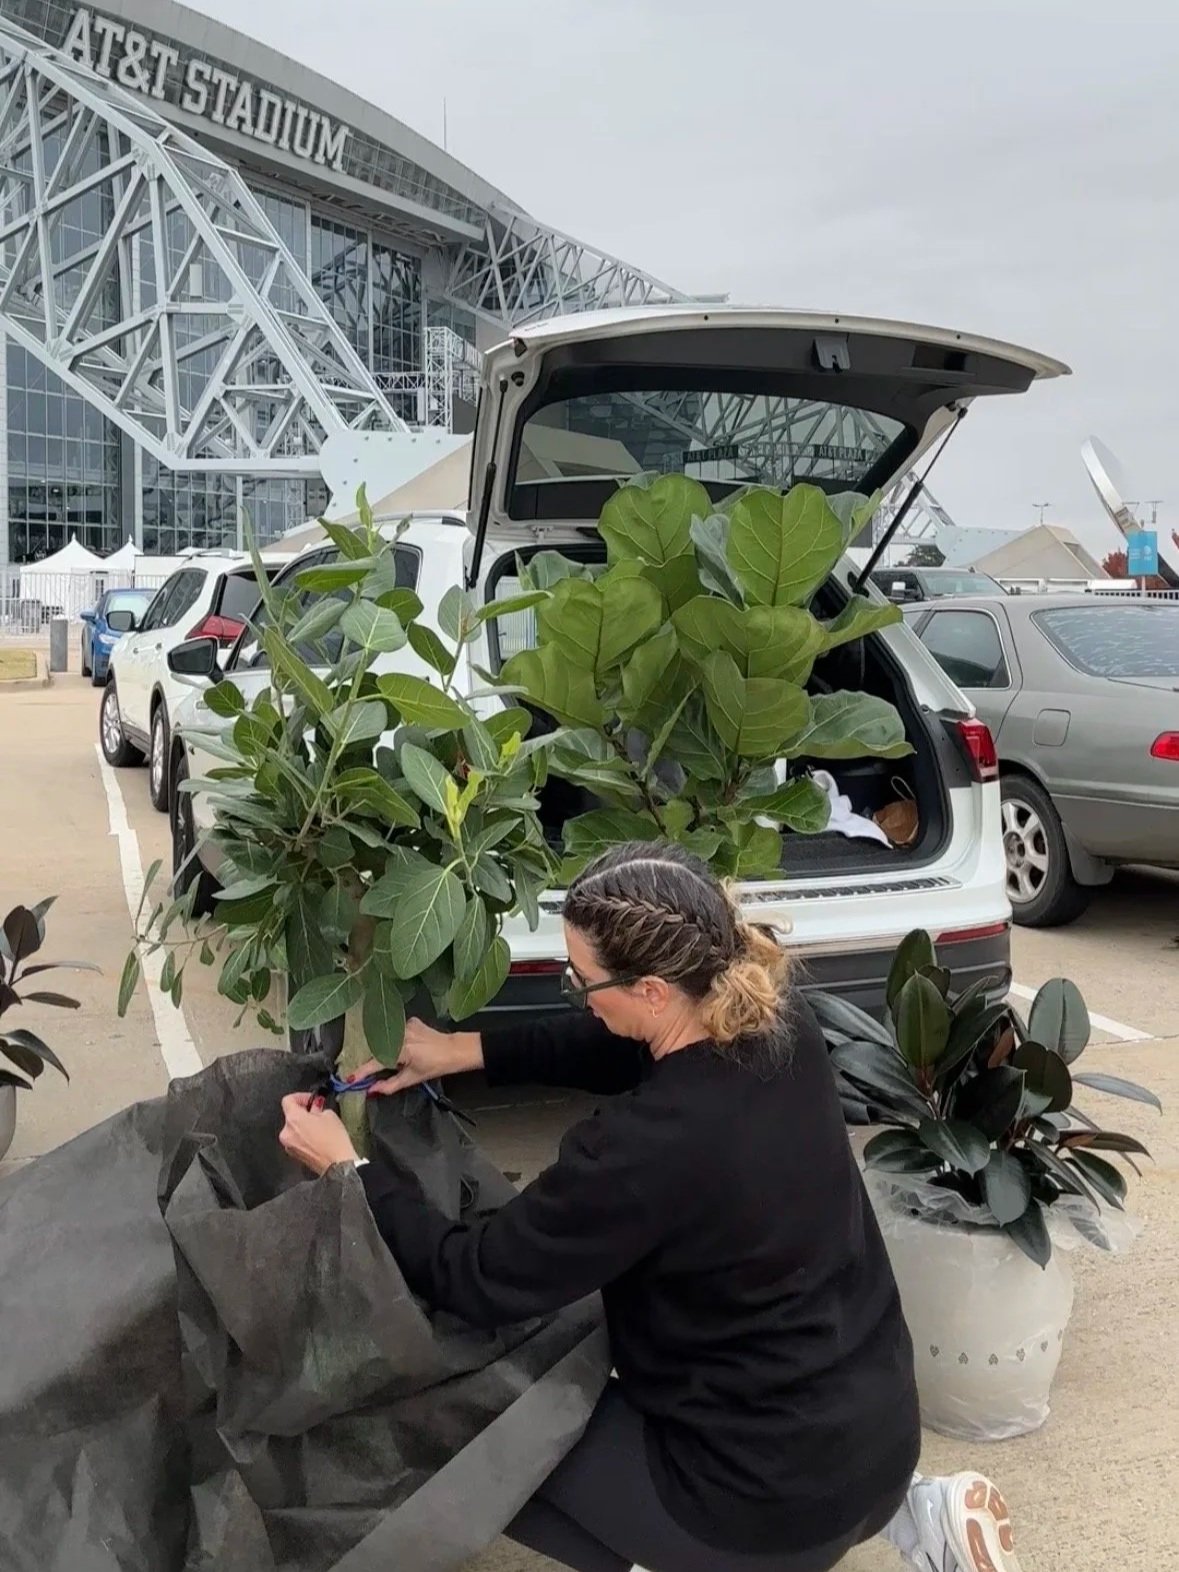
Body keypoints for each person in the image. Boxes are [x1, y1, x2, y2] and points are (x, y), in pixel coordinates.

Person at [279, 842, 1024, 1572]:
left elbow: (475, 1278)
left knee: (469, 1439)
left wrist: (351, 1172)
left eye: (582, 980)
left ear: (653, 991)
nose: (579, 995)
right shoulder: (776, 1023)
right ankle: (915, 1518)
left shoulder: (646, 1148)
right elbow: (621, 1045)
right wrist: (467, 1051)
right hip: (875, 1444)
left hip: (756, 1506)